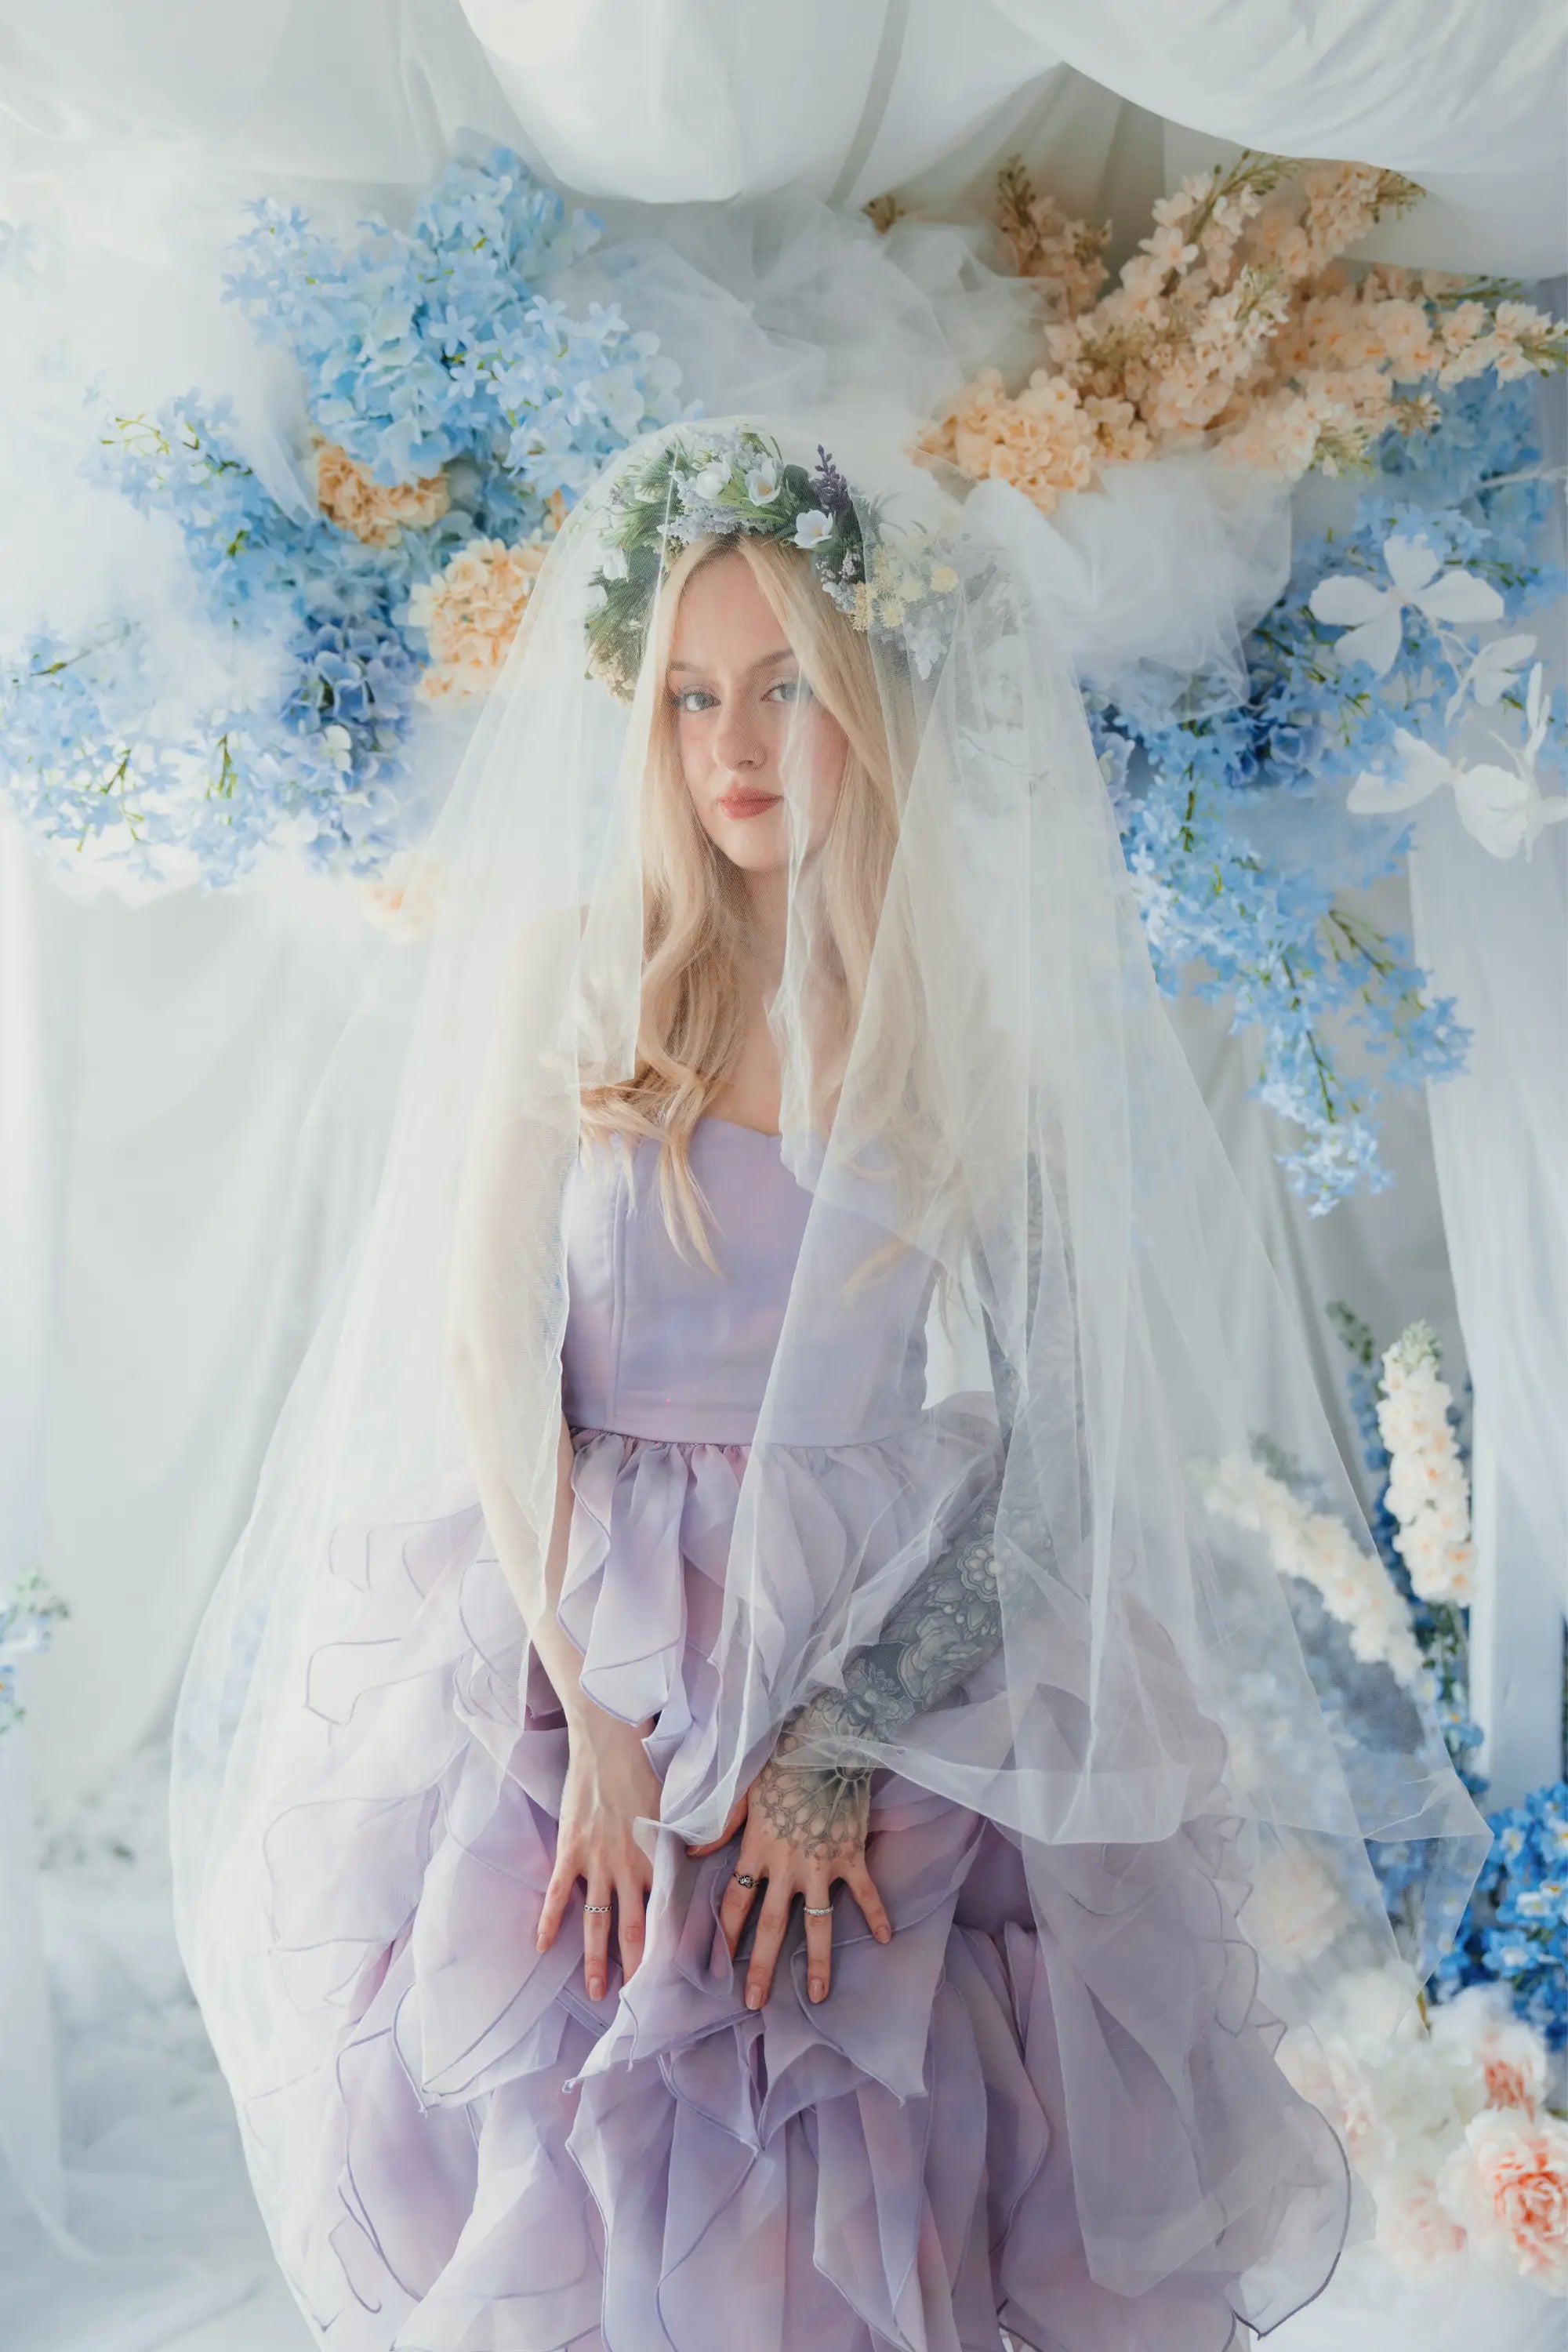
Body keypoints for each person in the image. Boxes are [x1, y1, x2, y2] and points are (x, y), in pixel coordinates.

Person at [172, 416, 1487, 2351]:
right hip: (592, 1615)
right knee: (597, 2100)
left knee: (862, 2104)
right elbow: (484, 1349)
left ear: (870, 704)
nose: (735, 745)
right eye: (692, 696)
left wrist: (843, 1741)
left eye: (786, 686)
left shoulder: (967, 1033)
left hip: (878, 1628)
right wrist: (589, 1714)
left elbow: (1050, 1444)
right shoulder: (576, 979)